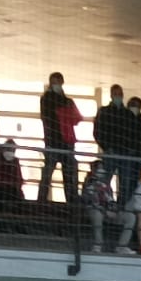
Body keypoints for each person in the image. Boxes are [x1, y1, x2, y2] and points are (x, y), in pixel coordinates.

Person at [37, 71, 81, 203]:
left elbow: (75, 118)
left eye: (58, 82)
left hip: (64, 142)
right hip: (55, 142)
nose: (56, 85)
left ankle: (70, 201)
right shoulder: (49, 100)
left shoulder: (60, 101)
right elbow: (49, 116)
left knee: (67, 175)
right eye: (54, 82)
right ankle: (42, 200)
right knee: (48, 174)